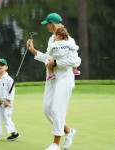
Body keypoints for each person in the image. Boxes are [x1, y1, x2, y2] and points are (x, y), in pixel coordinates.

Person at [27, 13, 81, 150]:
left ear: (52, 24)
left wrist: (55, 63)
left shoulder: (69, 40)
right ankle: (68, 131)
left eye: (47, 24)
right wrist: (33, 51)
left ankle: (56, 144)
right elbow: (48, 58)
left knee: (57, 109)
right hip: (51, 79)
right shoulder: (51, 39)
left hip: (64, 79)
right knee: (47, 109)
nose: (46, 26)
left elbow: (75, 61)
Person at [0, 58, 20, 141]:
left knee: (6, 118)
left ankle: (14, 133)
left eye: (2, 65)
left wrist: (8, 100)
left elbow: (12, 92)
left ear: (6, 67)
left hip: (6, 102)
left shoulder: (9, 79)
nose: (0, 67)